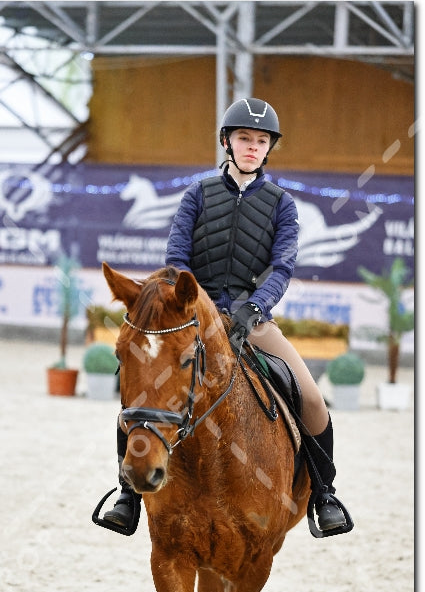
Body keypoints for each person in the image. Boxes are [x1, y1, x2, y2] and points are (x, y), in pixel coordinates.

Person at [101, 97, 349, 535]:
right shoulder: (197, 194)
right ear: (226, 142)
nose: (252, 146)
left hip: (254, 321)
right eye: (244, 138)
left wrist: (254, 308)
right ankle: (128, 493)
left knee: (312, 400)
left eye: (261, 141)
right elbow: (177, 258)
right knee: (143, 393)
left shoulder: (282, 204)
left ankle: (324, 494)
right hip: (193, 318)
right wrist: (197, 305)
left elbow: (281, 267)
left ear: (268, 148)